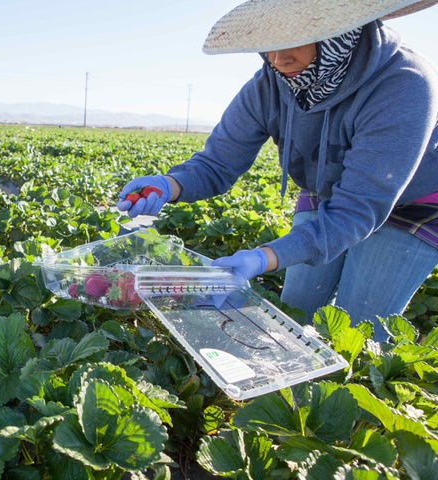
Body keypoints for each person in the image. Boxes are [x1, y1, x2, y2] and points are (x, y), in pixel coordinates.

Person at [118, 0, 438, 341]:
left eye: (296, 39)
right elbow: (218, 162)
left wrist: (263, 258)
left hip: (411, 206)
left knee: (361, 328)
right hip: (325, 190)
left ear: (339, 33)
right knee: (297, 307)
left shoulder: (404, 83)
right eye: (270, 42)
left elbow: (357, 209)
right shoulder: (271, 85)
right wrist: (170, 185)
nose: (278, 59)